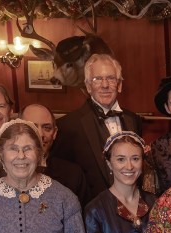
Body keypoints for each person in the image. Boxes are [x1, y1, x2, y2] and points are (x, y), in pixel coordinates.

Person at [55, 54, 143, 198]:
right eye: (97, 79)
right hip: (89, 212)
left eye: (111, 78)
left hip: (131, 205)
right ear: (88, 86)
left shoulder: (134, 119)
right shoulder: (68, 125)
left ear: (119, 85)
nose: (105, 85)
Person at [19, 103, 89, 206]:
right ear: (16, 130)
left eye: (46, 128)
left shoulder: (73, 175)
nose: (40, 134)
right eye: (32, 127)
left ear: (55, 133)